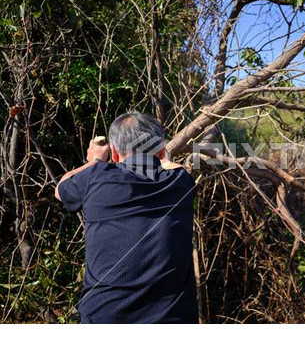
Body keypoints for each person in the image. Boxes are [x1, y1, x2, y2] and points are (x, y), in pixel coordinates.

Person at [55, 111, 198, 324]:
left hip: (104, 319)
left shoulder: (95, 178)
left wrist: (94, 160)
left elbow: (60, 189)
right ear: (161, 151)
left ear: (113, 152)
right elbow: (172, 166)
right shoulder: (180, 183)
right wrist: (160, 155)